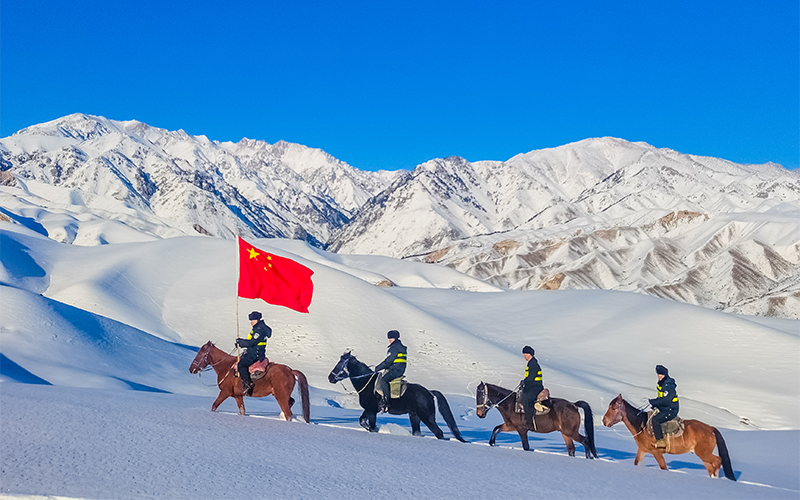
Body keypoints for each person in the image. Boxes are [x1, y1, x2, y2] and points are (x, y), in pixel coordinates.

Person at [236, 311, 272, 396]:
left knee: (241, 365)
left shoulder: (259, 330)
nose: (251, 322)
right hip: (254, 352)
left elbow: (252, 342)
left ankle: (248, 384)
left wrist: (241, 343)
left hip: (255, 354)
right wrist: (241, 341)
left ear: (257, 320)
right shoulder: (258, 328)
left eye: (252, 320)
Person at [375, 330, 407, 412]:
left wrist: (377, 368)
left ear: (395, 338)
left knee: (383, 380)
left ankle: (386, 401)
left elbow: (388, 361)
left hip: (395, 369)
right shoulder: (400, 347)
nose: (389, 340)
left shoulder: (394, 348)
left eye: (391, 338)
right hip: (399, 369)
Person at [648, 364, 679, 449]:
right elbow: (661, 398)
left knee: (656, 420)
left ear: (665, 375)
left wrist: (654, 402)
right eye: (658, 374)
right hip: (665, 407)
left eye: (661, 374)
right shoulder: (662, 384)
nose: (659, 376)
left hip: (670, 409)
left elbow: (666, 400)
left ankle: (660, 441)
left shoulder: (668, 386)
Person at [520, 345, 544, 421]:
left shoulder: (533, 365)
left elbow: (531, 378)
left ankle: (529, 421)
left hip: (535, 387)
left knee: (525, 399)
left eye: (525, 354)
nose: (524, 357)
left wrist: (525, 382)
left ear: (529, 354)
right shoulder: (531, 363)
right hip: (532, 386)